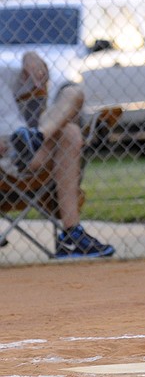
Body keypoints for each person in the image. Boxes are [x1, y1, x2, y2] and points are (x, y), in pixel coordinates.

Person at [0, 51, 115, 258]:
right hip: (5, 161)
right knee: (69, 133)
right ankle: (72, 234)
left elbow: (35, 77)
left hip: (32, 149)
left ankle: (71, 235)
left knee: (73, 96)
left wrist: (30, 57)